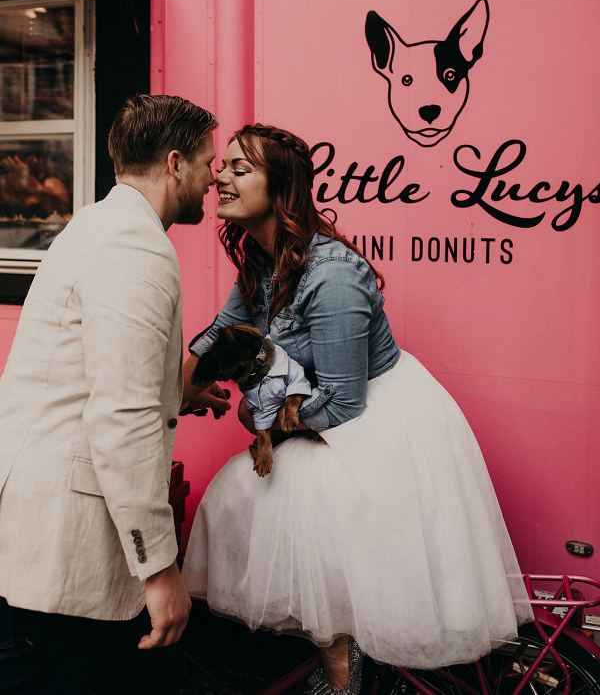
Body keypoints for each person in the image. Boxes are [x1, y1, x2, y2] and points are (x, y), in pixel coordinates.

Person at [181, 123, 533, 694]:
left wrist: (265, 417)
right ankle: (341, 660)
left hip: (371, 418)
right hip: (316, 405)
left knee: (320, 529)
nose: (219, 174)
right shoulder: (261, 258)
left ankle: (344, 678)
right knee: (244, 506)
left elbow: (343, 405)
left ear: (283, 190)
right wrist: (170, 390)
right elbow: (222, 332)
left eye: (239, 168)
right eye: (221, 164)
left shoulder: (333, 276)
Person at [0, 94, 231, 695]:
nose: (215, 176)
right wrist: (159, 569)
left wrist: (175, 393)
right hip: (68, 547)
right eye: (208, 161)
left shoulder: (97, 225)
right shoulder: (135, 250)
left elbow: (94, 379)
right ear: (175, 163)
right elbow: (121, 417)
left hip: (49, 534)